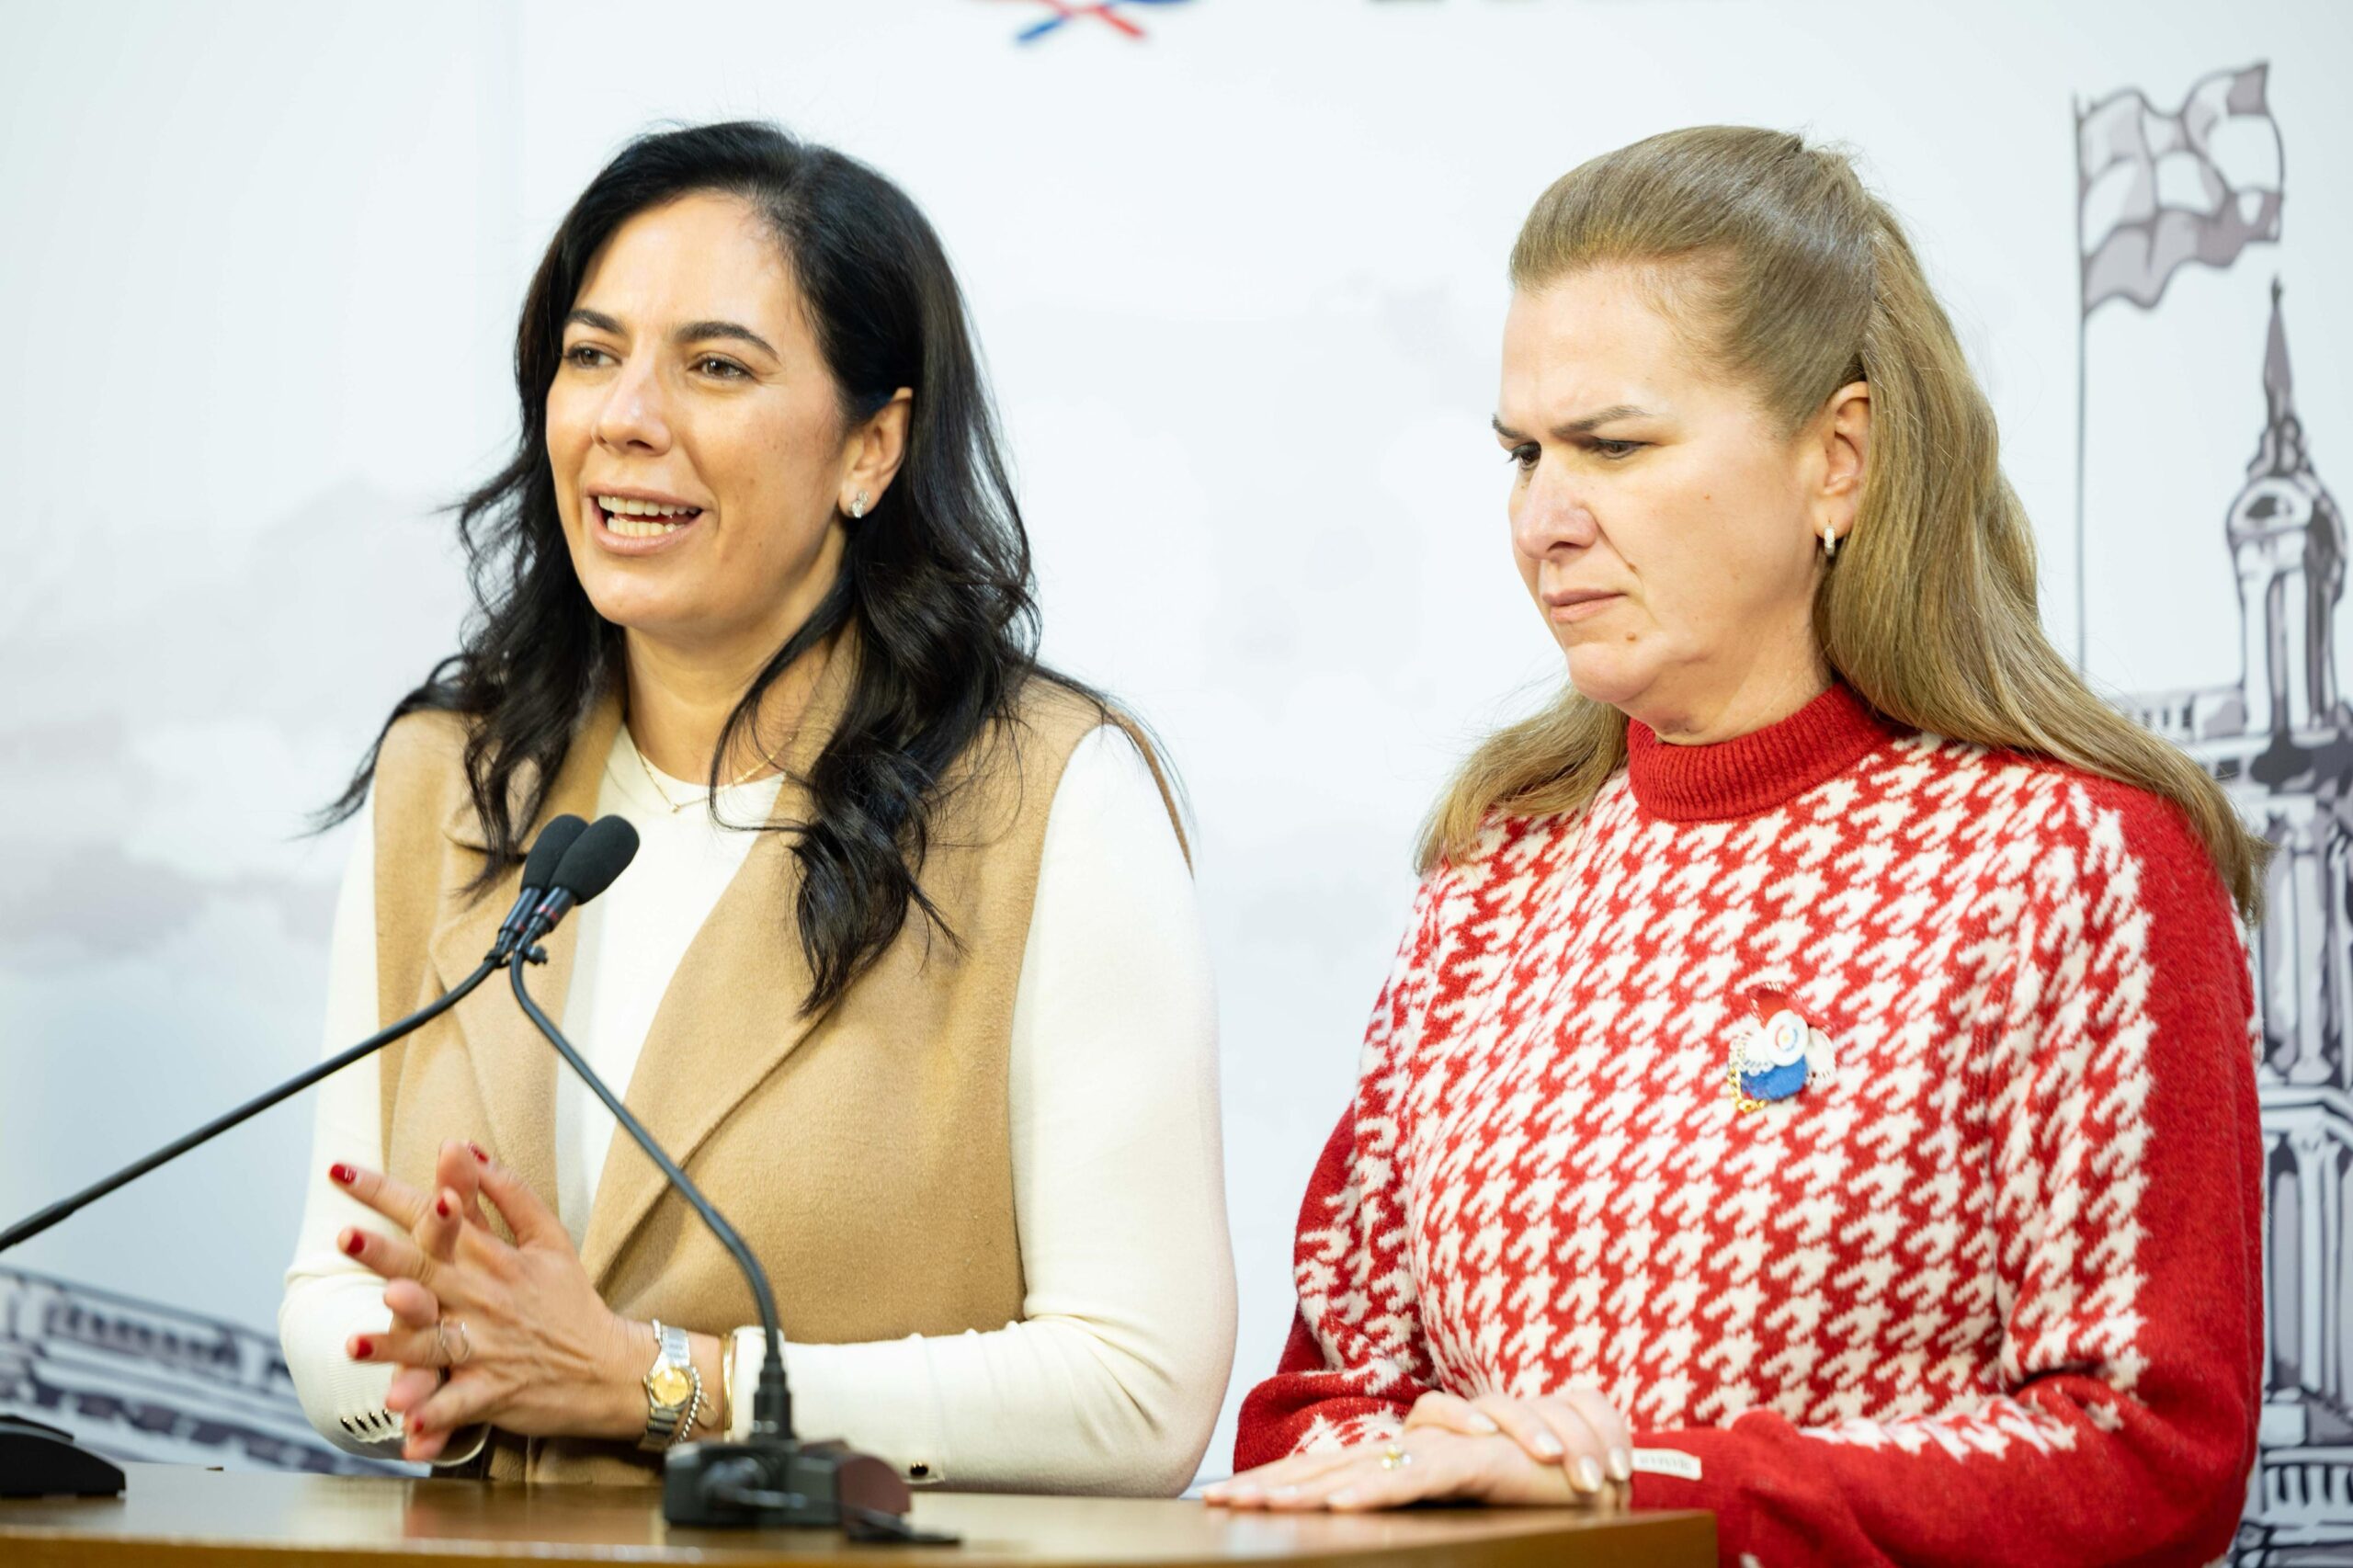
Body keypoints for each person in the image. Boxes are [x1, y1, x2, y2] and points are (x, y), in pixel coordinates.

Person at [1211, 125, 2264, 1565]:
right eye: (1523, 453)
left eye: (1614, 446)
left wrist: (1648, 1488)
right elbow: (1313, 1407)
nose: (1542, 520)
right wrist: (1425, 1467)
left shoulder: (2075, 863)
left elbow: (2148, 1449)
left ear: (1838, 458)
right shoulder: (1493, 874)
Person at [278, 121, 1233, 1495]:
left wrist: (666, 1381)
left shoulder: (1050, 795)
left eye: (715, 366)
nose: (625, 417)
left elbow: (1139, 1393)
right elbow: (331, 1298)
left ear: (871, 447)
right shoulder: (455, 778)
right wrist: (447, 1362)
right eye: (591, 355)